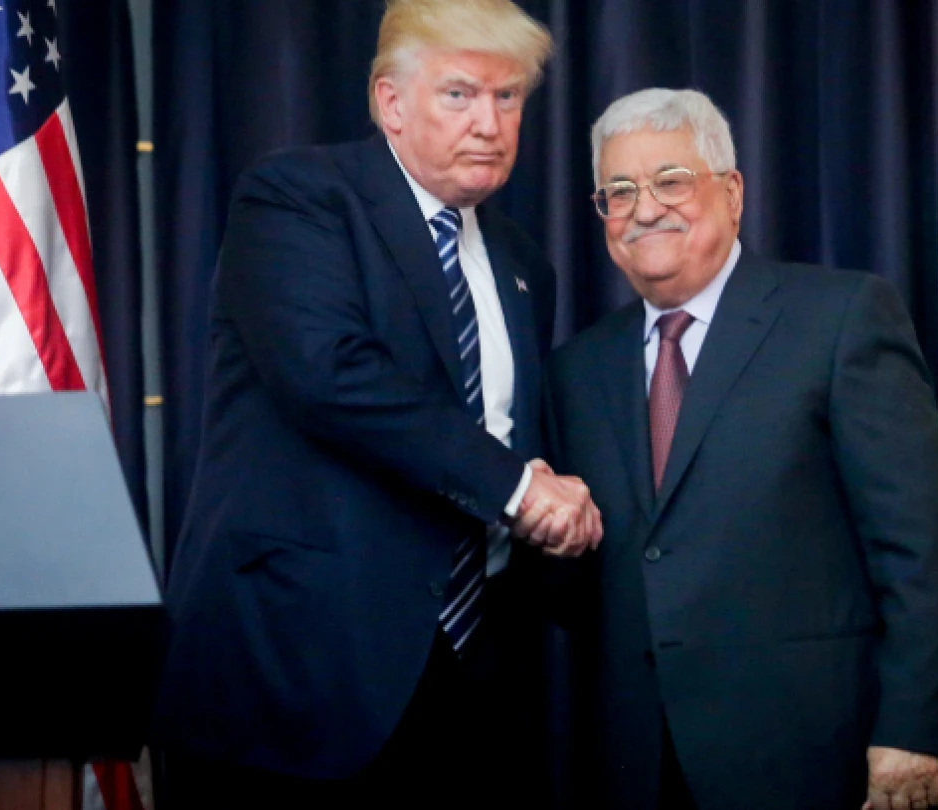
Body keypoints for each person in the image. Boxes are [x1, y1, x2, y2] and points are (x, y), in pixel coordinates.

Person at [153, 1, 600, 806]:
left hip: (467, 679)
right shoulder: (297, 200)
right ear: (390, 103)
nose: (490, 123)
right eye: (460, 95)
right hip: (297, 675)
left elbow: (505, 433)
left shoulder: (525, 264)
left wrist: (554, 508)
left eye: (508, 99)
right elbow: (332, 376)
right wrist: (522, 488)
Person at [541, 88, 938, 810]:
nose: (645, 209)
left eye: (671, 181)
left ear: (731, 192)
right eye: (619, 191)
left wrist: (913, 725)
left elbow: (920, 547)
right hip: (636, 764)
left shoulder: (841, 319)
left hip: (813, 755)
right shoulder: (576, 369)